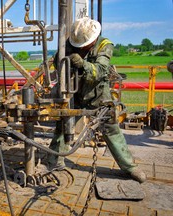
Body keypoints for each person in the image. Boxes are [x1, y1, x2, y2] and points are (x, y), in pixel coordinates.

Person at [48, 17, 147, 183]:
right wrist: (61, 59)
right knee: (63, 126)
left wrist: (82, 64)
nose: (81, 48)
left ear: (93, 40)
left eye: (84, 46)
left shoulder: (104, 45)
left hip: (99, 96)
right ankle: (53, 162)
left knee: (111, 129)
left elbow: (100, 71)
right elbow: (57, 63)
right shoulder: (71, 42)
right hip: (75, 94)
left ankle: (129, 167)